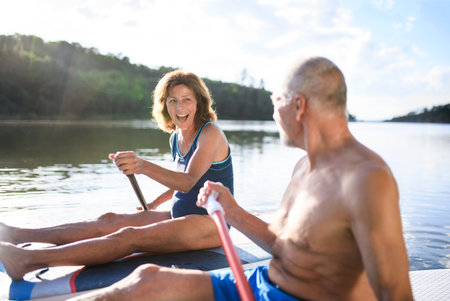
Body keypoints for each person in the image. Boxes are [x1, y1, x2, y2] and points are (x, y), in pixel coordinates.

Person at [68, 57, 414, 301]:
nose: (272, 109)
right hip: (260, 282)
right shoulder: (304, 167)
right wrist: (231, 210)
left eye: (275, 98)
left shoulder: (367, 179)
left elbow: (395, 294)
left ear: (299, 106)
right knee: (147, 279)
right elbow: (281, 245)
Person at [0, 70, 234, 281]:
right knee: (108, 221)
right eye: (173, 101)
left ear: (199, 103)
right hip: (179, 215)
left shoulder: (210, 133)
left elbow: (188, 182)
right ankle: (17, 234)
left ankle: (27, 260)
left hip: (211, 223)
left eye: (187, 100)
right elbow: (188, 181)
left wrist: (142, 165)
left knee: (129, 237)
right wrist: (155, 203)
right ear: (165, 105)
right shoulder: (177, 137)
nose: (180, 108)